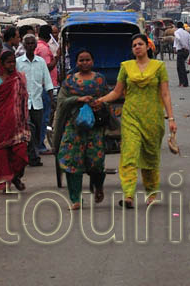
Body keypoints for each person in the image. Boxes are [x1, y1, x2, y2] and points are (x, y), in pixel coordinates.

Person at [93, 34, 176, 208]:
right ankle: (128, 194)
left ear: (148, 47)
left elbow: (166, 94)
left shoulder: (159, 67)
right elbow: (117, 92)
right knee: (129, 154)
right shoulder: (126, 67)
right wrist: (100, 101)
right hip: (131, 116)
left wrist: (171, 119)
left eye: (140, 44)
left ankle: (152, 194)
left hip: (153, 118)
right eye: (134, 45)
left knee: (150, 156)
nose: (137, 47)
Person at [51, 50, 110, 209]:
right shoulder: (70, 81)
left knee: (96, 161)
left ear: (92, 61)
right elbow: (62, 101)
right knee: (71, 160)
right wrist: (78, 99)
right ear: (76, 62)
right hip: (74, 126)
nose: (84, 63)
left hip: (94, 127)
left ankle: (98, 186)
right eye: (81, 60)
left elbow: (108, 98)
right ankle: (75, 198)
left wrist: (100, 103)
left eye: (87, 60)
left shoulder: (99, 80)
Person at [0, 50, 30, 192]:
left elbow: (23, 98)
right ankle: (6, 183)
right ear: (2, 63)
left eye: (14, 62)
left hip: (18, 122)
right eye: (9, 62)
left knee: (21, 154)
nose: (12, 65)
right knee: (3, 154)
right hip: (1, 121)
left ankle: (14, 176)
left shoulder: (19, 78)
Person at [17, 35, 55, 165]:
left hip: (38, 102)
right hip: (23, 103)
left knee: (38, 129)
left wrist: (51, 99)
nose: (30, 46)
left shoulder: (41, 62)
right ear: (24, 45)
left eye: (32, 43)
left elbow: (48, 81)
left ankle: (33, 152)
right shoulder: (18, 62)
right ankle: (32, 156)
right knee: (29, 128)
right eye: (27, 43)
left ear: (35, 45)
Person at [173, 22, 190, 87]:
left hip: (181, 50)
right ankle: (183, 82)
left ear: (177, 26)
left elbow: (178, 38)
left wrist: (183, 45)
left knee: (180, 68)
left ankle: (183, 82)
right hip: (186, 52)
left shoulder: (176, 32)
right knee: (182, 66)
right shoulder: (187, 33)